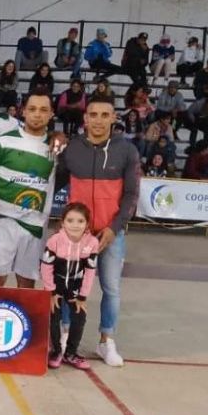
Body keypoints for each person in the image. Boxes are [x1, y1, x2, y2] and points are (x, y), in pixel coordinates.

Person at [54, 96, 141, 367]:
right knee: (69, 287)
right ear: (85, 118)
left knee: (111, 288)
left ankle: (107, 341)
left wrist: (115, 229)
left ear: (114, 118)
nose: (99, 120)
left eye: (105, 115)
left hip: (110, 234)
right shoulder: (71, 148)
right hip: (76, 235)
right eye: (93, 114)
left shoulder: (126, 151)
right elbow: (53, 184)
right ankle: (65, 337)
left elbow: (131, 194)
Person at [0, 90, 58, 288]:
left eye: (43, 110)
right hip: (1, 221)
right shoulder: (3, 141)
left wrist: (60, 136)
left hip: (34, 224)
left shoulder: (56, 148)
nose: (37, 114)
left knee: (26, 285)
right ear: (23, 111)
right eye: (32, 109)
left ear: (51, 114)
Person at [41, 202, 99, 370]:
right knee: (53, 316)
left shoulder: (92, 243)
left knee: (79, 316)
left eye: (80, 221)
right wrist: (51, 291)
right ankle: (56, 352)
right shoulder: (54, 241)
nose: (75, 225)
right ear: (62, 222)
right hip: (55, 285)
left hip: (75, 287)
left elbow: (90, 271)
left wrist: (82, 296)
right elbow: (46, 267)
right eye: (70, 220)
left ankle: (71, 353)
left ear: (87, 224)